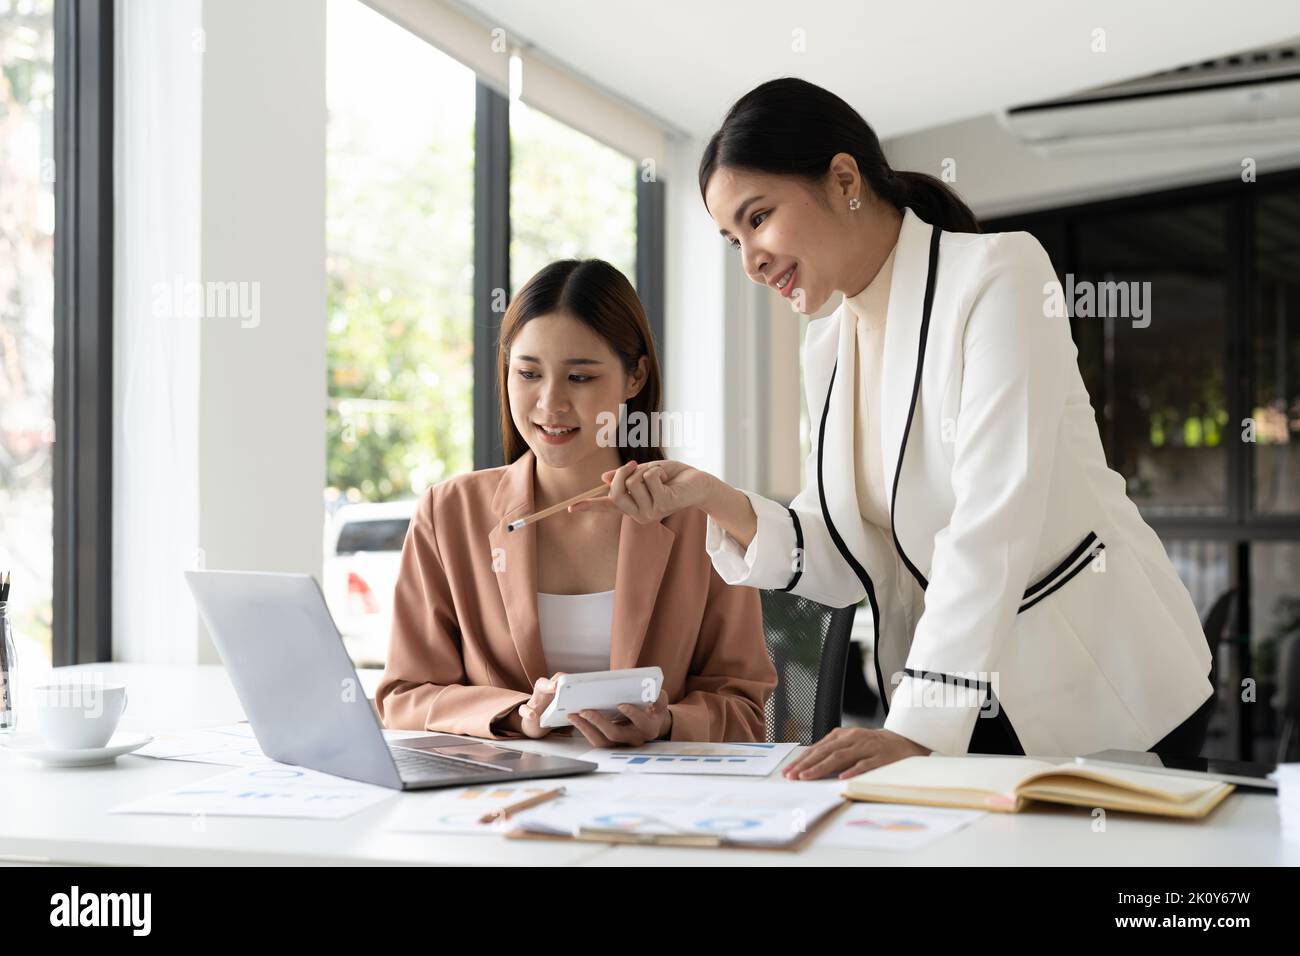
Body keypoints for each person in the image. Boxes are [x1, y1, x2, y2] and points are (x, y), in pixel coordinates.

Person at [571, 78, 1214, 778]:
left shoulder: (1000, 276)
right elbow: (845, 555)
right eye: (732, 241)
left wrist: (916, 728)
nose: (751, 262)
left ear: (843, 179)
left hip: (1101, 689)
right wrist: (708, 497)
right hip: (971, 707)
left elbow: (994, 517)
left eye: (758, 219)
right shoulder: (829, 347)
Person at [375, 259, 777, 746]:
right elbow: (404, 696)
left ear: (635, 378)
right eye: (528, 374)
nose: (550, 403)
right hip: (500, 798)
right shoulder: (448, 514)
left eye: (580, 378)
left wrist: (667, 722)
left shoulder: (701, 518)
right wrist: (514, 713)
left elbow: (744, 710)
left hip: (653, 800)